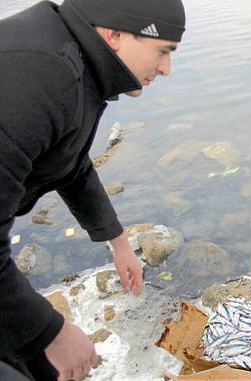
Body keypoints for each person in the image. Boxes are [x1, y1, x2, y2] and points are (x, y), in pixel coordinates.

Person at [0, 0, 185, 380]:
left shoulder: (73, 62)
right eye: (162, 51)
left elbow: (67, 161)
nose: (166, 69)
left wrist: (118, 241)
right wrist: (48, 330)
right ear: (114, 34)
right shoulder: (36, 74)